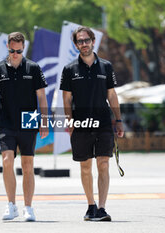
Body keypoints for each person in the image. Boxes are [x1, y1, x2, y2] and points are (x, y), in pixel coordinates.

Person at [60, 26, 124, 221]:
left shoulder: (106, 66)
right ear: (76, 44)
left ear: (93, 41)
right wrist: (69, 122)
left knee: (103, 163)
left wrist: (119, 120)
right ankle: (90, 206)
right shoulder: (70, 69)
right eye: (80, 41)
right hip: (80, 123)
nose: (84, 44)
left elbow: (112, 95)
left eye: (87, 40)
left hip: (104, 121)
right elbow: (66, 100)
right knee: (85, 166)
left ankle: (102, 208)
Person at [0, 32, 48, 221]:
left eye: (18, 51)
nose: (15, 54)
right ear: (7, 46)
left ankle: (28, 207)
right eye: (12, 50)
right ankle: (11, 205)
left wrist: (44, 121)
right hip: (6, 121)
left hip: (29, 119)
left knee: (27, 165)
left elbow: (42, 97)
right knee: (6, 161)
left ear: (23, 48)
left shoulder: (34, 68)